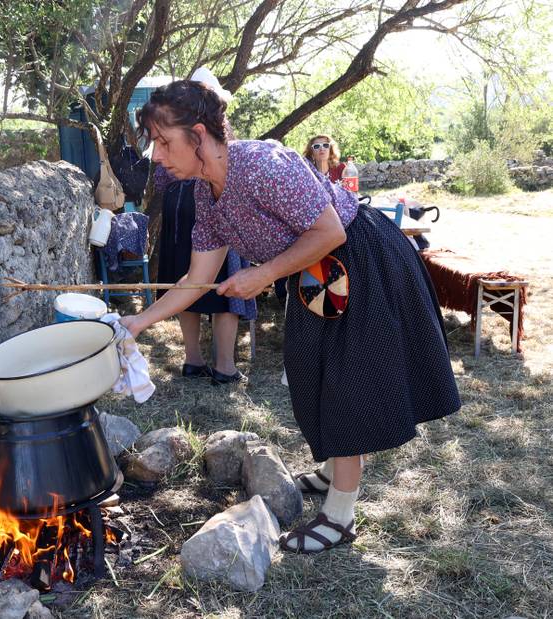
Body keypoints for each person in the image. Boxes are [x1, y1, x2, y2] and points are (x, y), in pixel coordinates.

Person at [119, 80, 461, 554]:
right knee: (311, 373)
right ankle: (332, 470)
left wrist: (263, 274)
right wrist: (138, 323)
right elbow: (197, 278)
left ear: (198, 134)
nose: (156, 155)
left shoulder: (263, 164)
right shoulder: (205, 193)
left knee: (344, 385)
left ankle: (340, 516)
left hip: (358, 259)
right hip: (312, 272)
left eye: (163, 141)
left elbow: (331, 231)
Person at [156, 177, 249, 384]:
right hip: (209, 193)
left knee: (186, 279)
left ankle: (193, 361)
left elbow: (159, 180)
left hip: (175, 200)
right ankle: (225, 367)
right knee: (225, 286)